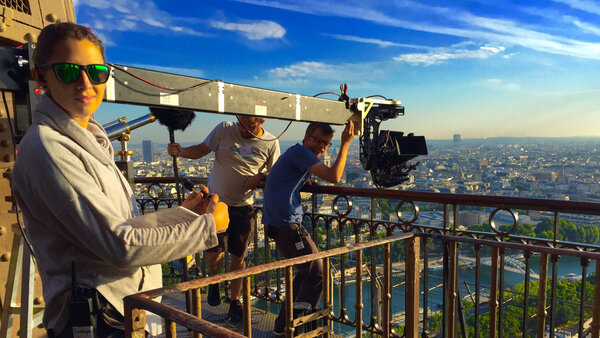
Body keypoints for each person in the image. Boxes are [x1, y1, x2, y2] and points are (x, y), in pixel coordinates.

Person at [11, 22, 229, 337]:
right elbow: (119, 246)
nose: (85, 82)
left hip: (118, 311)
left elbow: (122, 227)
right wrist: (208, 226)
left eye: (97, 71)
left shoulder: (86, 139)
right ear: (41, 76)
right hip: (101, 319)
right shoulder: (50, 149)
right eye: (68, 71)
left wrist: (184, 214)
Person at [168, 116, 280, 321]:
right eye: (242, 124)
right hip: (216, 205)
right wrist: (181, 151)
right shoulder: (224, 129)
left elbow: (276, 171)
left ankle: (234, 300)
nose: (244, 129)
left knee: (239, 256)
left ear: (262, 122)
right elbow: (202, 149)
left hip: (243, 207)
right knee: (215, 254)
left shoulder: (271, 142)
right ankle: (214, 280)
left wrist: (261, 176)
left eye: (250, 126)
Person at [262, 121, 355, 335]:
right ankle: (298, 326)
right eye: (318, 140)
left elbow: (286, 179)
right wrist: (345, 143)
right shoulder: (301, 153)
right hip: (287, 224)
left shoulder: (297, 154)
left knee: (306, 273)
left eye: (326, 144)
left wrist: (306, 180)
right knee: (318, 274)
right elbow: (334, 176)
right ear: (306, 138)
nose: (322, 147)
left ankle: (284, 326)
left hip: (278, 222)